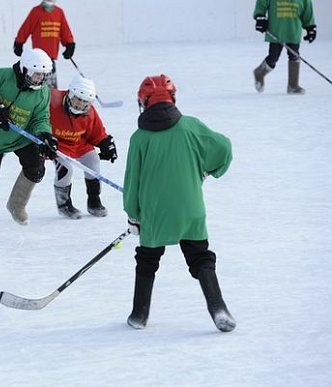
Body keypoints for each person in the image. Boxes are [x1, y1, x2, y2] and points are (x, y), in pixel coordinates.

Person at [123, 75, 236, 332]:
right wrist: (209, 170)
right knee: (200, 257)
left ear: (143, 102)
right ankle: (218, 308)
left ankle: (139, 315)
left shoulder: (139, 138)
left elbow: (132, 182)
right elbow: (224, 147)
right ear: (172, 99)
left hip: (154, 212)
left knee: (148, 259)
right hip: (190, 208)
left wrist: (133, 215)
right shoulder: (191, 126)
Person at [0, 48, 58, 232]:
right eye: (35, 74)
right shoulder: (3, 76)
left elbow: (41, 118)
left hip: (21, 136)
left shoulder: (42, 92)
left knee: (36, 168)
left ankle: (16, 204)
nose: (39, 79)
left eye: (43, 75)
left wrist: (45, 135)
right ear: (24, 70)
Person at [49, 75, 117, 219]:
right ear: (70, 94)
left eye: (85, 102)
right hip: (57, 144)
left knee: (93, 161)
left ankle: (94, 200)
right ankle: (63, 204)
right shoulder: (52, 100)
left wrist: (106, 144)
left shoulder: (89, 112)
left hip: (79, 143)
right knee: (66, 169)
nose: (80, 105)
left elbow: (97, 132)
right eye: (78, 99)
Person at [253, 0, 316, 94]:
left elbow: (307, 10)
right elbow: (262, 3)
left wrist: (310, 27)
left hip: (294, 29)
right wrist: (260, 16)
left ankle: (293, 85)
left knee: (294, 55)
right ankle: (260, 72)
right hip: (276, 29)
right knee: (273, 56)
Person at [13, 0, 75, 89]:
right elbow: (26, 28)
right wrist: (19, 42)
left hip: (51, 58)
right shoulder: (36, 11)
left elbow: (64, 30)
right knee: (37, 84)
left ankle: (51, 100)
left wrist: (69, 44)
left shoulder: (59, 12)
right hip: (38, 59)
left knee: (51, 86)